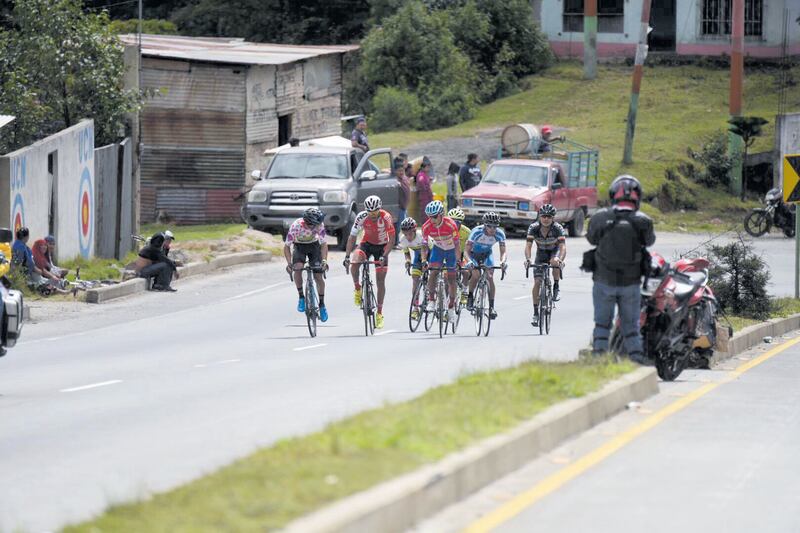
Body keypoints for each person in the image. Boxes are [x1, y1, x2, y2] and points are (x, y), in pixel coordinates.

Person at [586, 175, 655, 363]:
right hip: (631, 283)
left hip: (603, 280)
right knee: (631, 328)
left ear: (612, 195)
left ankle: (598, 360)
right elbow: (649, 241)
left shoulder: (600, 218)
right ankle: (635, 361)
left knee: (602, 325)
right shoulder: (643, 221)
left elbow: (591, 239)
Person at [344, 195, 395, 329]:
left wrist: (385, 255)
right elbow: (352, 237)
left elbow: (392, 240)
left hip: (382, 247)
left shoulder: (386, 217)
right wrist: (347, 256)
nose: (372, 214)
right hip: (366, 244)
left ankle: (379, 313)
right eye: (369, 211)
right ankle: (357, 288)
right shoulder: (361, 216)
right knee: (355, 263)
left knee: (380, 281)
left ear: (380, 208)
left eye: (375, 211)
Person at [284, 207, 329, 322]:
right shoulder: (296, 226)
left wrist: (324, 261)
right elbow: (287, 246)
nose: (319, 225)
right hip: (299, 247)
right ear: (309, 223)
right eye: (316, 224)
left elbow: (324, 244)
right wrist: (289, 263)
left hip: (314, 246)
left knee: (318, 276)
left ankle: (322, 305)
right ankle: (301, 297)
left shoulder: (319, 224)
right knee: (298, 268)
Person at [524, 204, 566, 327]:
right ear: (539, 217)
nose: (546, 219)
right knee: (537, 282)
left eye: (549, 216)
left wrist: (560, 259)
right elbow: (528, 246)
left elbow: (563, 247)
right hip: (541, 253)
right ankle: (535, 313)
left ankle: (556, 286)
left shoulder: (558, 228)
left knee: (554, 262)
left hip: (554, 252)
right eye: (543, 216)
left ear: (553, 218)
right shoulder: (533, 228)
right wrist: (528, 259)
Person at [422, 200, 460, 322]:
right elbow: (424, 246)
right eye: (429, 217)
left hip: (451, 251)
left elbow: (457, 244)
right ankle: (431, 300)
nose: (432, 219)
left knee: (451, 279)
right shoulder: (426, 226)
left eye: (434, 216)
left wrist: (458, 260)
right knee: (433, 272)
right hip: (438, 249)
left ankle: (451, 307)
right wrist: (424, 260)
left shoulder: (451, 225)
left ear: (441, 214)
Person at [464, 212, 507, 318]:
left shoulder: (500, 234)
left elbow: (503, 252)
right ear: (484, 225)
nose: (492, 229)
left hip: (487, 255)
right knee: (476, 275)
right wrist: (469, 261)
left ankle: (491, 307)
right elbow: (466, 251)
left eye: (495, 227)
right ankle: (470, 297)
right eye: (489, 226)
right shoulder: (476, 232)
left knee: (490, 277)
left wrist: (503, 261)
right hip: (473, 255)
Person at [399, 217, 429, 320]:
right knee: (415, 279)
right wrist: (407, 261)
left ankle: (432, 294)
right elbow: (406, 253)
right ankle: (415, 309)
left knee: (431, 275)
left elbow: (424, 251)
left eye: (410, 234)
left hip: (429, 252)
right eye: (405, 234)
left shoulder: (421, 236)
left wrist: (424, 262)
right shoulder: (403, 239)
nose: (408, 237)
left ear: (414, 231)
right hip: (418, 255)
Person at [447, 207, 471, 303]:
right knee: (445, 276)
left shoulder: (467, 232)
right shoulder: (445, 229)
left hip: (461, 255)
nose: (454, 224)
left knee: (465, 272)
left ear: (461, 223)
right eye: (451, 222)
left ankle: (464, 291)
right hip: (448, 254)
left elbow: (469, 249)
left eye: (457, 222)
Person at [394, 157, 411, 245]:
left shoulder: (404, 178)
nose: (401, 172)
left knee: (402, 225)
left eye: (402, 170)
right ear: (395, 171)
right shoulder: (395, 180)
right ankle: (395, 243)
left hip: (404, 207)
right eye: (399, 171)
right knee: (397, 226)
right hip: (399, 207)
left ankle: (398, 241)